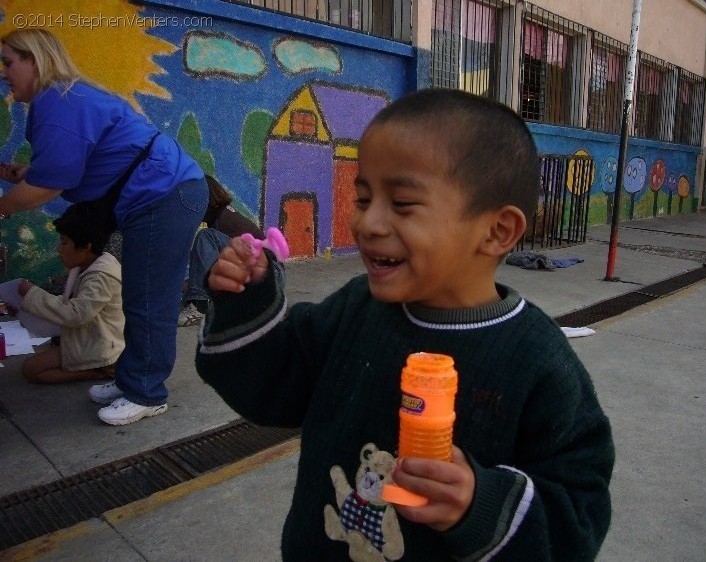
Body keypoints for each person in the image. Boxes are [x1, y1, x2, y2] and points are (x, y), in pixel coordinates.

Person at [196, 89, 614, 560]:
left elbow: (580, 513)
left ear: (497, 231)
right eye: (363, 197)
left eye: (402, 203)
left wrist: (481, 504)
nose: (367, 222)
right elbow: (271, 386)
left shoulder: (538, 361)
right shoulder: (353, 309)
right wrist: (245, 301)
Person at [0, 29, 208, 425]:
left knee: (149, 298)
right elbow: (67, 167)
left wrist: (4, 207)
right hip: (162, 193)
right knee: (138, 293)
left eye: (9, 62)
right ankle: (132, 378)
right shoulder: (61, 99)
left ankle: (147, 392)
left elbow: (49, 183)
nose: (5, 73)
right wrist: (30, 172)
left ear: (35, 59)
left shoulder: (57, 102)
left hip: (164, 195)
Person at [16, 203, 124, 384]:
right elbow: (73, 304)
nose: (59, 249)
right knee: (37, 360)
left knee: (31, 369)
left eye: (64, 242)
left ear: (85, 247)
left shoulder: (101, 276)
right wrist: (26, 302)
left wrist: (32, 295)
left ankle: (100, 372)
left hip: (101, 346)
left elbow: (76, 314)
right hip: (88, 337)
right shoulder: (85, 266)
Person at [178, 175, 262, 327]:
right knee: (198, 261)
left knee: (205, 236)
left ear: (205, 199)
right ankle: (199, 302)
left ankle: (200, 307)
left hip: (267, 275)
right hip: (264, 276)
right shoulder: (222, 215)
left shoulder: (221, 220)